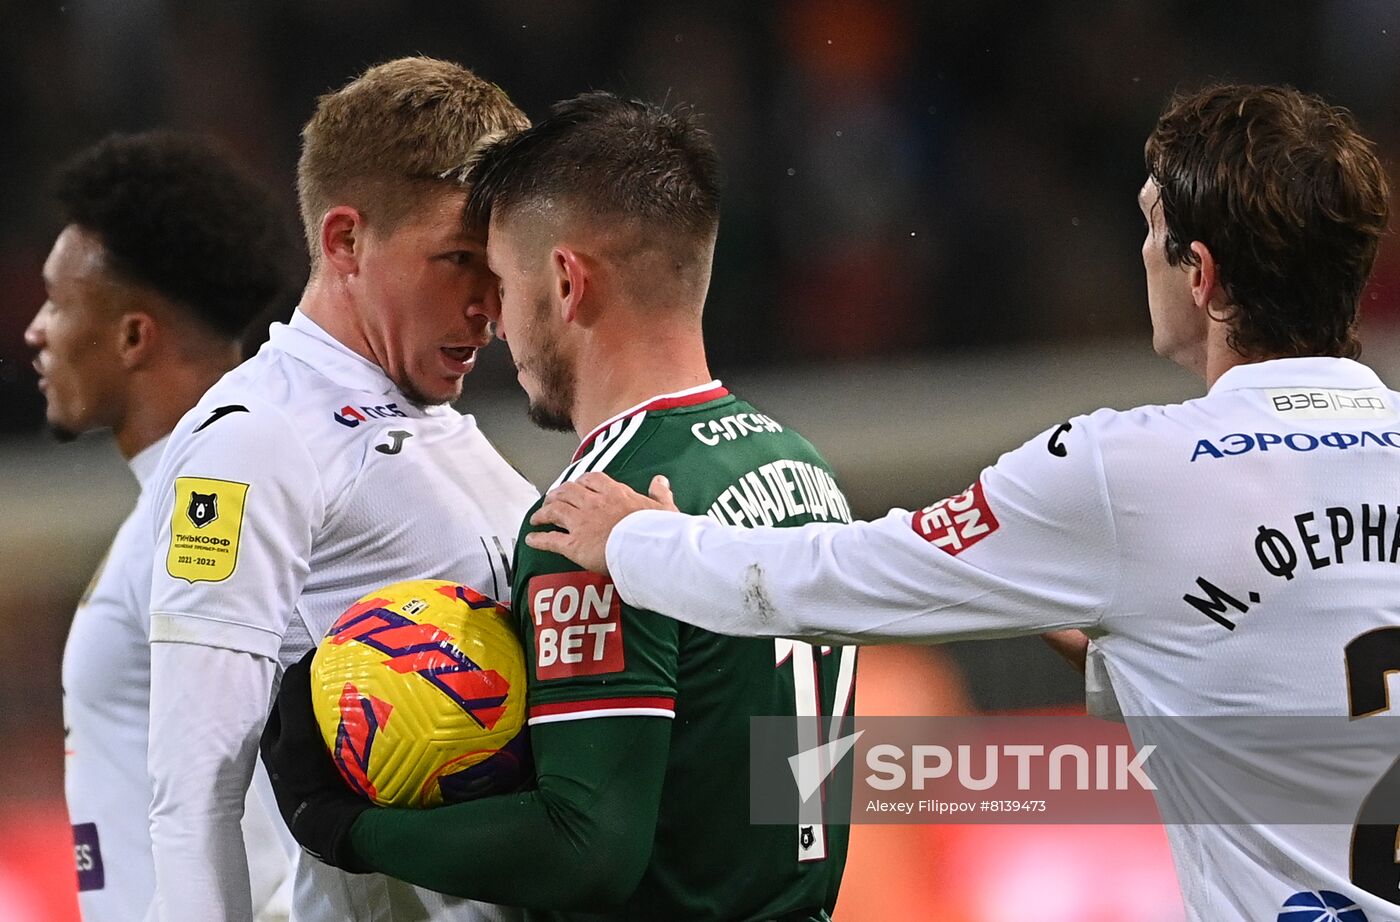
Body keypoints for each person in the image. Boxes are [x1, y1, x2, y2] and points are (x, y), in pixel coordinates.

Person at [525, 84, 1400, 921]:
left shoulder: (1124, 468)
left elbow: (841, 580)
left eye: (1151, 225)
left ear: (1201, 276)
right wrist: (1127, 664)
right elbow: (1307, 666)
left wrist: (641, 541)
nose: (1138, 252)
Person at [261, 91, 857, 921]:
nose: (495, 322)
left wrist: (343, 825)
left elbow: (586, 849)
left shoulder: (593, 523)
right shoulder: (802, 468)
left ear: (568, 283)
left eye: (501, 282)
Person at [144, 57, 539, 922]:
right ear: (344, 241)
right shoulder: (253, 440)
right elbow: (193, 789)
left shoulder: (425, 412)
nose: (490, 308)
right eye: (457, 261)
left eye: (500, 267)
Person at [25, 132, 300, 922]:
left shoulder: (211, 509)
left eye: (58, 302)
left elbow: (269, 796)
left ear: (134, 336)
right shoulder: (176, 503)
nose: (36, 331)